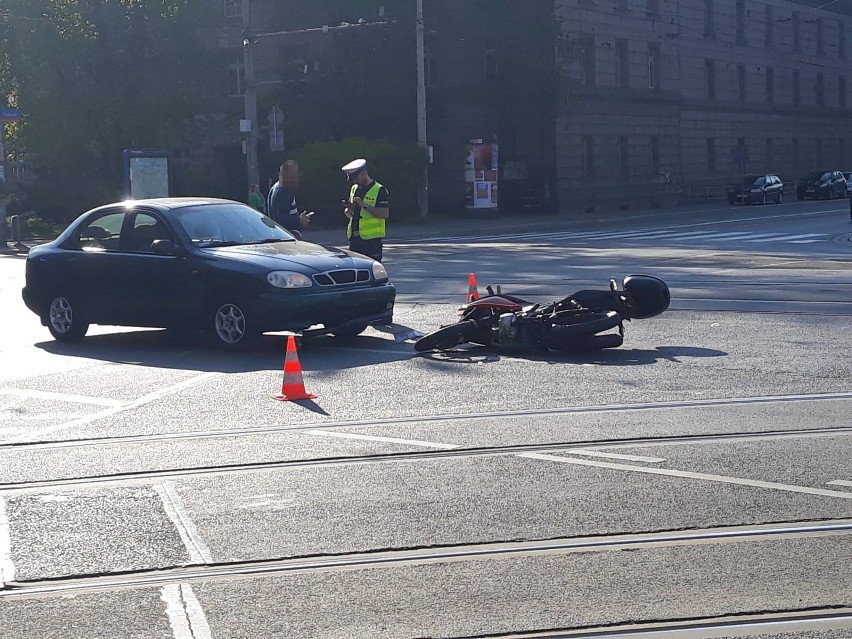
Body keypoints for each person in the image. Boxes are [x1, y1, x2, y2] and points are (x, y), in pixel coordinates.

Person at [342, 158, 389, 262]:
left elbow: (385, 214)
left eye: (356, 178)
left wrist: (364, 205)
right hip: (354, 240)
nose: (354, 181)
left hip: (371, 242)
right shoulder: (354, 188)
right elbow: (351, 215)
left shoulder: (379, 190)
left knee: (372, 270)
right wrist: (348, 210)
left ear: (363, 174)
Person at [267, 160, 313, 239]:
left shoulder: (276, 187)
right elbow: (282, 220)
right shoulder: (284, 191)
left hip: (280, 235)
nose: (297, 176)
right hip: (288, 236)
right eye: (294, 174)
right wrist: (300, 221)